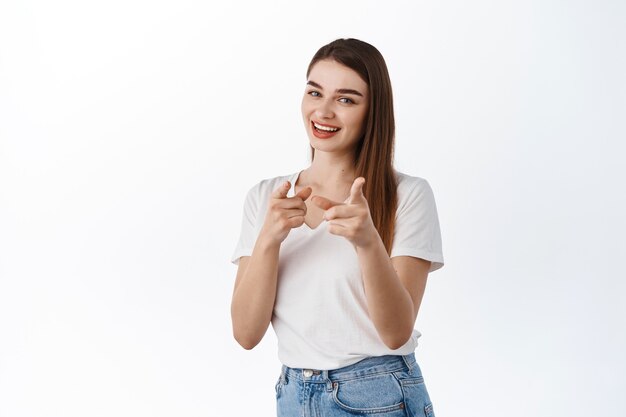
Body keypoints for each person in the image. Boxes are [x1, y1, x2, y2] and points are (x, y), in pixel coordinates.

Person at [230, 38, 444, 417]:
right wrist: (269, 239)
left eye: (346, 99)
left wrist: (367, 243)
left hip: (378, 394)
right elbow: (246, 334)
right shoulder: (266, 197)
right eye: (315, 92)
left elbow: (396, 332)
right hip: (294, 394)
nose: (323, 111)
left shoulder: (407, 196)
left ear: (372, 111)